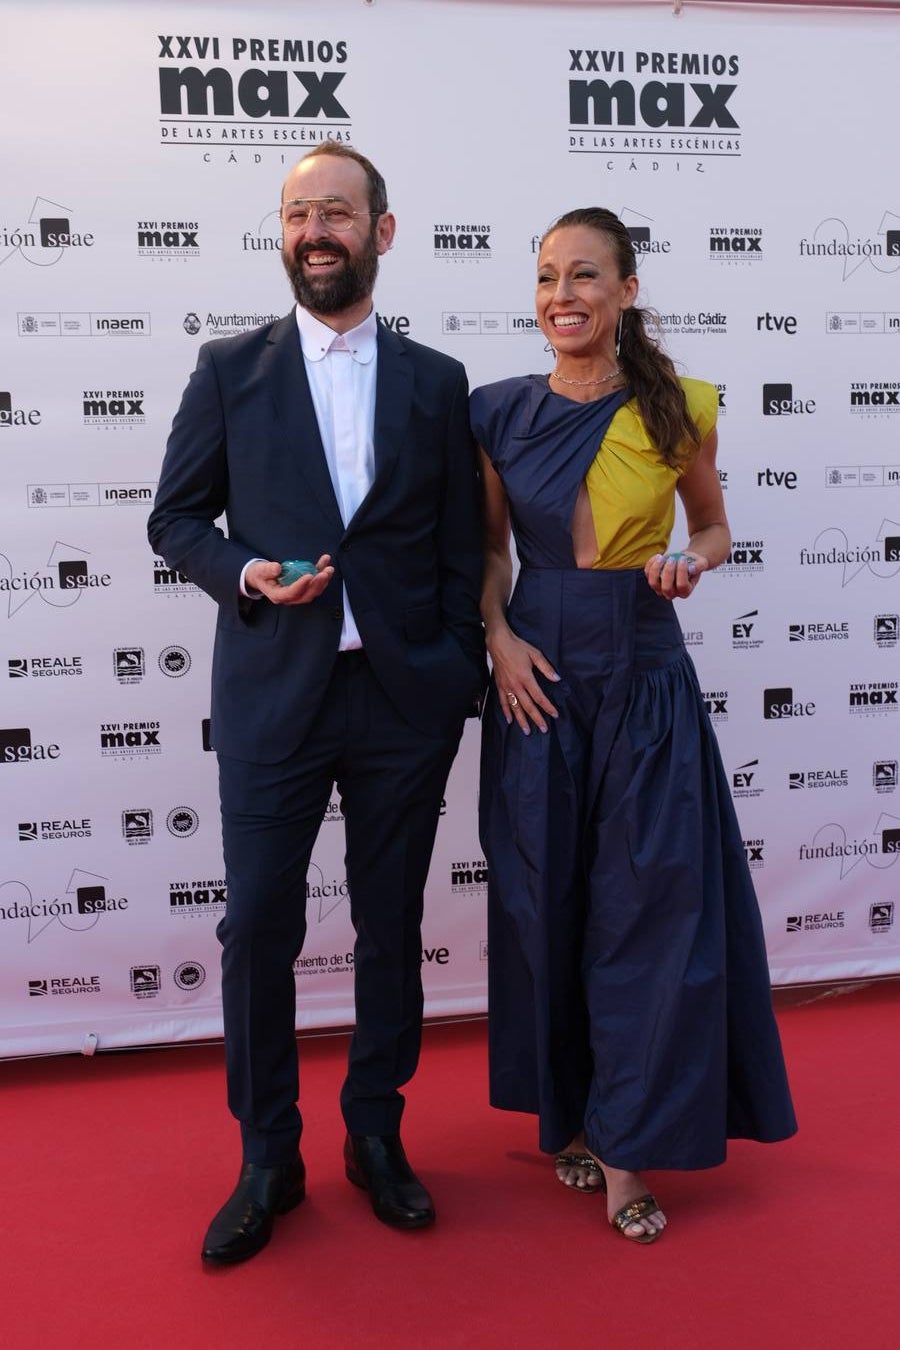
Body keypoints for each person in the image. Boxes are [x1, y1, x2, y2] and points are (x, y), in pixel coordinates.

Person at [148, 144, 485, 1265]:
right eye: (298, 215)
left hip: (402, 702)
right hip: (272, 697)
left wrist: (451, 664)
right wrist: (246, 573)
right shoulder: (226, 370)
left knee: (391, 925)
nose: (315, 232)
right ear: (282, 232)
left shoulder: (437, 381)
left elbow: (459, 542)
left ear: (381, 231)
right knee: (257, 926)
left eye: (336, 212)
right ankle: (268, 1156)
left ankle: (375, 1134)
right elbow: (175, 520)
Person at [471, 207, 796, 1245]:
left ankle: (625, 1152)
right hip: (537, 683)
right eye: (547, 277)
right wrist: (497, 638)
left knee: (648, 913)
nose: (561, 295)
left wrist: (691, 560)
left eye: (584, 275)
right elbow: (490, 553)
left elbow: (714, 525)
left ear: (627, 289)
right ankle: (570, 1116)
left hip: (646, 676)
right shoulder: (496, 413)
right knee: (545, 905)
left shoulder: (677, 406)